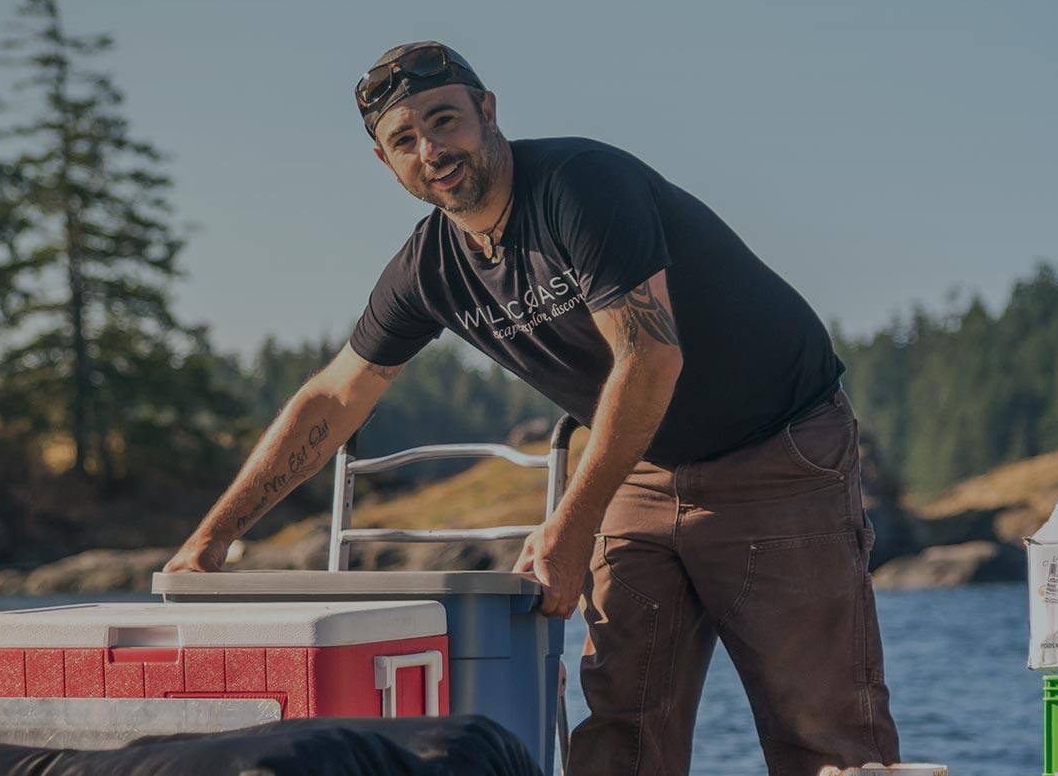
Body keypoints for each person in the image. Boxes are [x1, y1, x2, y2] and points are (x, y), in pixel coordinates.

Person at [162, 42, 900, 775]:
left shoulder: (581, 186)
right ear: (387, 165)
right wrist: (213, 536)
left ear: (487, 111)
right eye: (405, 140)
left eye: (444, 120)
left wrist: (572, 523)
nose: (432, 148)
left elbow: (650, 356)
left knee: (823, 735)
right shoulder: (429, 268)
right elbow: (336, 393)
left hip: (777, 452)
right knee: (620, 730)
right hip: (642, 469)